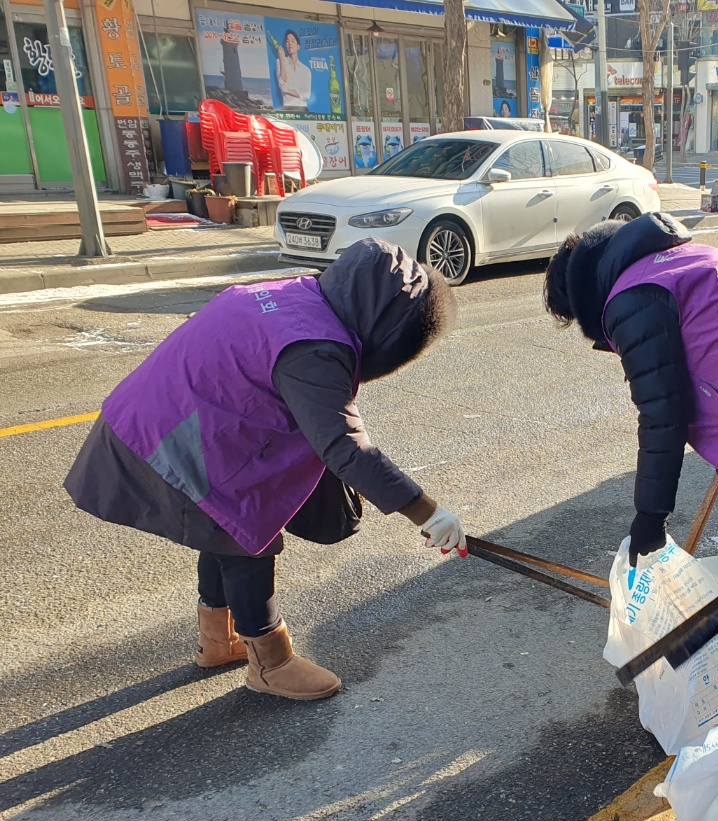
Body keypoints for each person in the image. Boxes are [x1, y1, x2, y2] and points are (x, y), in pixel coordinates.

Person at [65, 239, 463, 701]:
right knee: (245, 532)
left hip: (157, 418)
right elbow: (347, 449)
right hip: (174, 438)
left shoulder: (294, 295)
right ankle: (270, 663)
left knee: (219, 527)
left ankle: (218, 641)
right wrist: (429, 513)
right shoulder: (315, 349)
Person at [543, 212, 718, 628]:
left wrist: (650, 518)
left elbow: (662, 413)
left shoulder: (630, 299)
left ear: (581, 300)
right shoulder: (675, 260)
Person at [275, 30, 312, 111]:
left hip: (302, 108)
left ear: (298, 46)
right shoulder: (280, 62)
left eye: (292, 41)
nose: (290, 43)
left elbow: (306, 94)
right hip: (287, 107)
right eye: (287, 41)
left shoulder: (306, 70)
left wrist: (287, 90)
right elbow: (282, 85)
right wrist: (282, 59)